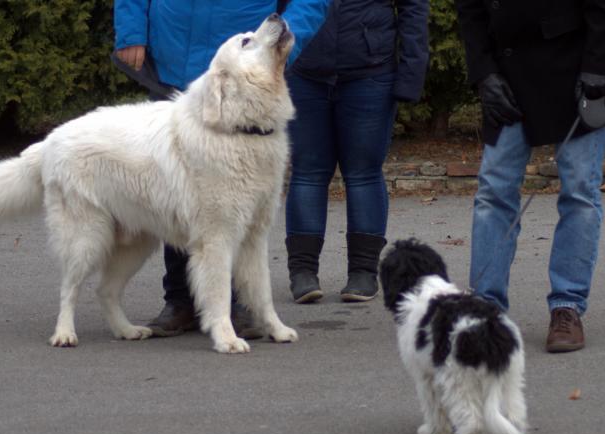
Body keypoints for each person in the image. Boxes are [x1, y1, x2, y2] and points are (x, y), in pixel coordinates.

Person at [113, 0, 330, 337]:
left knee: (239, 203)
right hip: (173, 55)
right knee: (178, 189)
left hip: (241, 72)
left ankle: (242, 305)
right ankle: (181, 300)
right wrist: (131, 30)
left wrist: (283, 42)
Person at [455, 0, 605, 352]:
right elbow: (469, 7)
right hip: (507, 69)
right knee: (493, 191)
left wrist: (600, 66)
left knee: (580, 191)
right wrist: (483, 72)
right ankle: (485, 312)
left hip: (579, 63)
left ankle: (567, 306)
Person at [283, 0, 429, 304]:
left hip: (370, 72)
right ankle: (302, 272)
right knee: (307, 172)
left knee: (364, 173)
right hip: (303, 70)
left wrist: (411, 72)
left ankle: (363, 272)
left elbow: (413, 6)